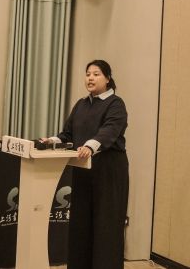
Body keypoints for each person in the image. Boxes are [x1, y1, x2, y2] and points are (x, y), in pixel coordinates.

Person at [40, 59, 129, 269]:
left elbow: (110, 130)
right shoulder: (81, 104)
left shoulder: (115, 103)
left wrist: (90, 145)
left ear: (108, 78)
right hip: (82, 170)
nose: (90, 78)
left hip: (108, 172)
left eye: (96, 74)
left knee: (106, 225)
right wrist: (52, 141)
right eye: (88, 74)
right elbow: (68, 134)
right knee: (81, 224)